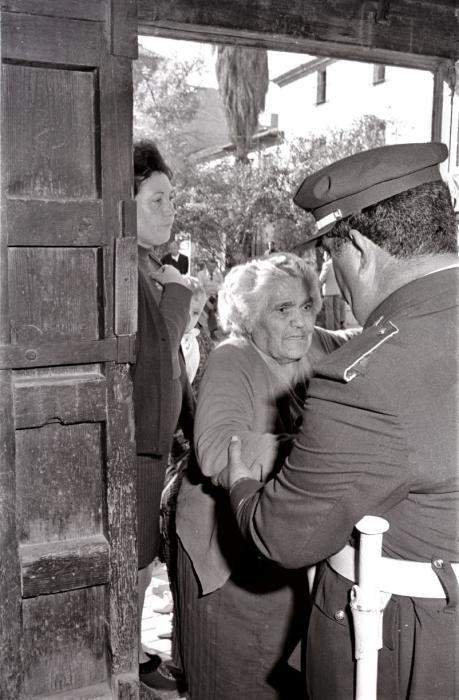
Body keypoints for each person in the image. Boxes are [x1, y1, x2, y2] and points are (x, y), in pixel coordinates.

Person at [220, 142, 459, 699]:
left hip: (410, 647)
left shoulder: (369, 379)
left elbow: (284, 537)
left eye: (330, 259)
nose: (328, 283)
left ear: (357, 248)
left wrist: (241, 485)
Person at [174, 253, 355, 700]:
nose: (301, 322)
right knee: (239, 677)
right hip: (230, 554)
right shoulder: (233, 358)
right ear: (249, 318)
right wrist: (314, 453)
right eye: (283, 310)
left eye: (308, 307)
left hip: (280, 543)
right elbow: (217, 450)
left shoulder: (313, 343)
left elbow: (363, 340)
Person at [132, 139, 191, 691]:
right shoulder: (130, 272)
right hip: (136, 445)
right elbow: (152, 361)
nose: (170, 208)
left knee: (141, 554)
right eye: (157, 198)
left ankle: (127, 648)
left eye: (172, 198)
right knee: (135, 556)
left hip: (154, 439)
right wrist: (178, 294)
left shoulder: (148, 268)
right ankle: (122, 658)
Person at [180, 276, 208, 384]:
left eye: (195, 313)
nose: (189, 317)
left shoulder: (190, 345)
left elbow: (184, 382)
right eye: (185, 308)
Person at [317, 249, 346, 329]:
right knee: (337, 312)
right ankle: (337, 329)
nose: (323, 257)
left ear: (328, 255)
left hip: (329, 292)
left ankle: (331, 330)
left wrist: (317, 286)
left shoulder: (326, 265)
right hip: (337, 291)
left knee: (330, 313)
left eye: (324, 255)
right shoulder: (338, 263)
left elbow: (322, 279)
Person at [197, 257, 224, 338]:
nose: (212, 269)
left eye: (213, 267)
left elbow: (222, 288)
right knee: (208, 310)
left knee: (218, 309)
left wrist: (218, 299)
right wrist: (206, 301)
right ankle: (210, 331)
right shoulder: (201, 274)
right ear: (206, 265)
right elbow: (201, 289)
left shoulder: (219, 274)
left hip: (216, 297)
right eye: (210, 267)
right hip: (205, 297)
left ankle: (218, 330)